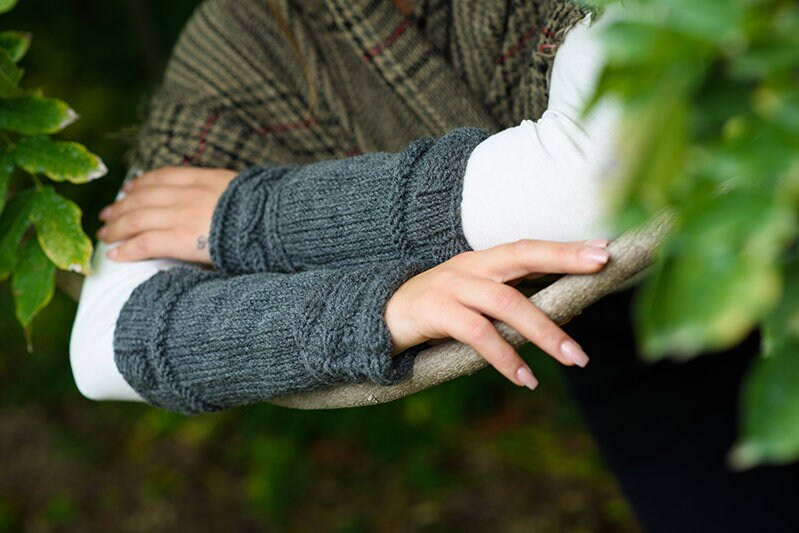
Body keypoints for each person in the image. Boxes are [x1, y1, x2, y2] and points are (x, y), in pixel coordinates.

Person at [70, 0, 620, 411]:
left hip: (693, 225)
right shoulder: (248, 33)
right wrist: (377, 309)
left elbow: (597, 175)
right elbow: (105, 340)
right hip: (584, 319)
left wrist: (258, 217)